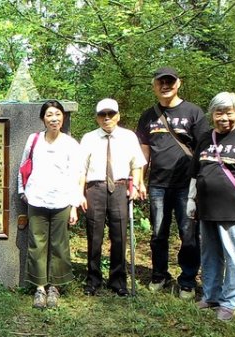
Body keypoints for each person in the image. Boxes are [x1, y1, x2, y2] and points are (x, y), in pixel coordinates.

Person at [136, 66, 209, 299]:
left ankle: (187, 280)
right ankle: (159, 275)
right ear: (154, 86)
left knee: (189, 234)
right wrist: (140, 180)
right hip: (158, 184)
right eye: (161, 82)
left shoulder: (193, 112)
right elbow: (143, 153)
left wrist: (201, 183)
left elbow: (203, 150)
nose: (165, 85)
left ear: (179, 83)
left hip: (187, 185)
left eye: (170, 81)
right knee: (158, 232)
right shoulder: (148, 115)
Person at [187, 92, 235, 321]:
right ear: (212, 114)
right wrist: (190, 200)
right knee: (210, 255)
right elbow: (195, 174)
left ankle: (229, 302)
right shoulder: (206, 138)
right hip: (206, 208)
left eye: (228, 112)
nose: (224, 117)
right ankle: (211, 296)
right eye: (219, 112)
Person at [18, 100, 83, 309]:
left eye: (57, 114)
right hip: (36, 198)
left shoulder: (71, 144)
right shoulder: (34, 139)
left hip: (62, 200)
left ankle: (55, 287)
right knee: (37, 243)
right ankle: (39, 288)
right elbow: (23, 165)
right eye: (49, 115)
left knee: (59, 244)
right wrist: (23, 191)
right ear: (42, 119)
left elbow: (78, 174)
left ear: (63, 117)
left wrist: (74, 204)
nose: (54, 118)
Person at [80, 98, 146, 296]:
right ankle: (93, 279)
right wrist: (79, 193)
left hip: (120, 188)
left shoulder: (128, 137)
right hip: (95, 188)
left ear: (118, 116)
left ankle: (118, 281)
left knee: (119, 236)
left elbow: (137, 164)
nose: (107, 118)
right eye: (102, 115)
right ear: (97, 118)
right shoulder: (88, 138)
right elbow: (80, 169)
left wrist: (137, 184)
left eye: (111, 114)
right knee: (94, 236)